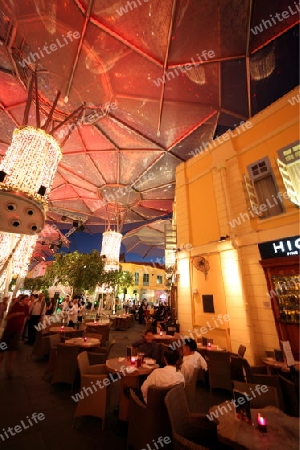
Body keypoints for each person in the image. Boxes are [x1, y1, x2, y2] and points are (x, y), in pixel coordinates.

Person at [0, 295, 30, 378]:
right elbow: (7, 317)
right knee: (2, 348)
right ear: (22, 300)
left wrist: (22, 328)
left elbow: (25, 318)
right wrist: (16, 314)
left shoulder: (26, 307)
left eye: (28, 300)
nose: (28, 301)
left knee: (13, 350)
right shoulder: (15, 306)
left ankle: (10, 369)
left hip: (17, 331)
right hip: (9, 330)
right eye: (26, 300)